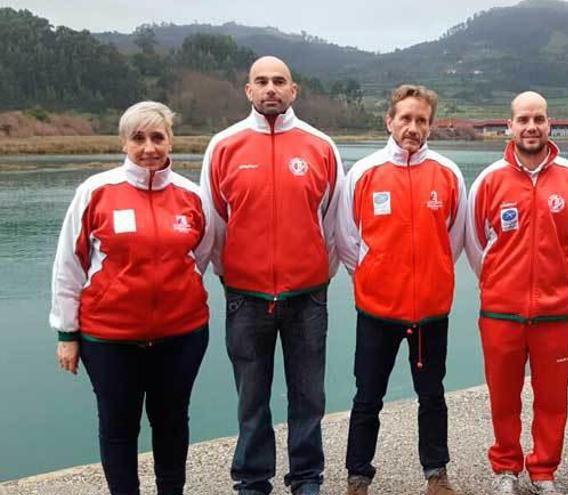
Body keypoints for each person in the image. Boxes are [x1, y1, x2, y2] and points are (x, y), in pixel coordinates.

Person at [51, 101, 212, 495]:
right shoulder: (95, 191)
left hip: (181, 336)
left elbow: (200, 256)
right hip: (109, 339)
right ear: (124, 142)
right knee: (119, 427)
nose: (149, 148)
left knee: (172, 422)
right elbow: (70, 264)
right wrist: (67, 333)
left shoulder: (191, 196)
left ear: (170, 140)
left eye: (157, 137)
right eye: (138, 138)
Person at [199, 56, 343, 495]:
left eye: (279, 81)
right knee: (251, 397)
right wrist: (234, 277)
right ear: (248, 90)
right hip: (246, 296)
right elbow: (212, 225)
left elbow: (335, 226)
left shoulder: (321, 146)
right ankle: (252, 479)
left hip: (307, 296)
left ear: (293, 90)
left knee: (309, 396)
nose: (270, 88)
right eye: (261, 81)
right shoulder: (224, 146)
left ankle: (306, 478)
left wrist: (314, 274)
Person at [336, 84, 466, 495]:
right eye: (405, 118)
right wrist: (377, 275)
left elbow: (456, 238)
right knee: (367, 397)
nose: (413, 127)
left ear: (431, 125)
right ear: (389, 120)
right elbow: (346, 239)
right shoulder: (362, 172)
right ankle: (358, 475)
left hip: (430, 310)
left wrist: (431, 272)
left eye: (421, 120)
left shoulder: (447, 173)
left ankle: (436, 474)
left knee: (432, 396)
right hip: (377, 310)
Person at [465, 92, 568, 495]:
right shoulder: (489, 180)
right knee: (504, 397)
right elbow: (475, 244)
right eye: (523, 119)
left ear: (549, 123)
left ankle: (543, 471)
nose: (531, 126)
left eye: (538, 118)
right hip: (500, 312)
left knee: (552, 399)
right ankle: (506, 468)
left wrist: (557, 281)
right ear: (510, 126)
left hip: (555, 313)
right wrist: (500, 284)